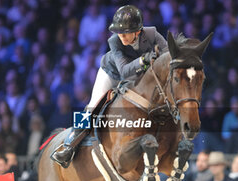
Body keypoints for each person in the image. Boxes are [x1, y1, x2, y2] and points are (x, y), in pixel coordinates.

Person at [52, 5, 167, 167]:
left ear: (138, 31)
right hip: (112, 74)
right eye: (119, 32)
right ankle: (69, 145)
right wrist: (145, 59)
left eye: (126, 32)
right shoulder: (114, 41)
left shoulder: (152, 34)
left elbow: (169, 55)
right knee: (92, 106)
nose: (122, 37)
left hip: (140, 77)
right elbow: (125, 71)